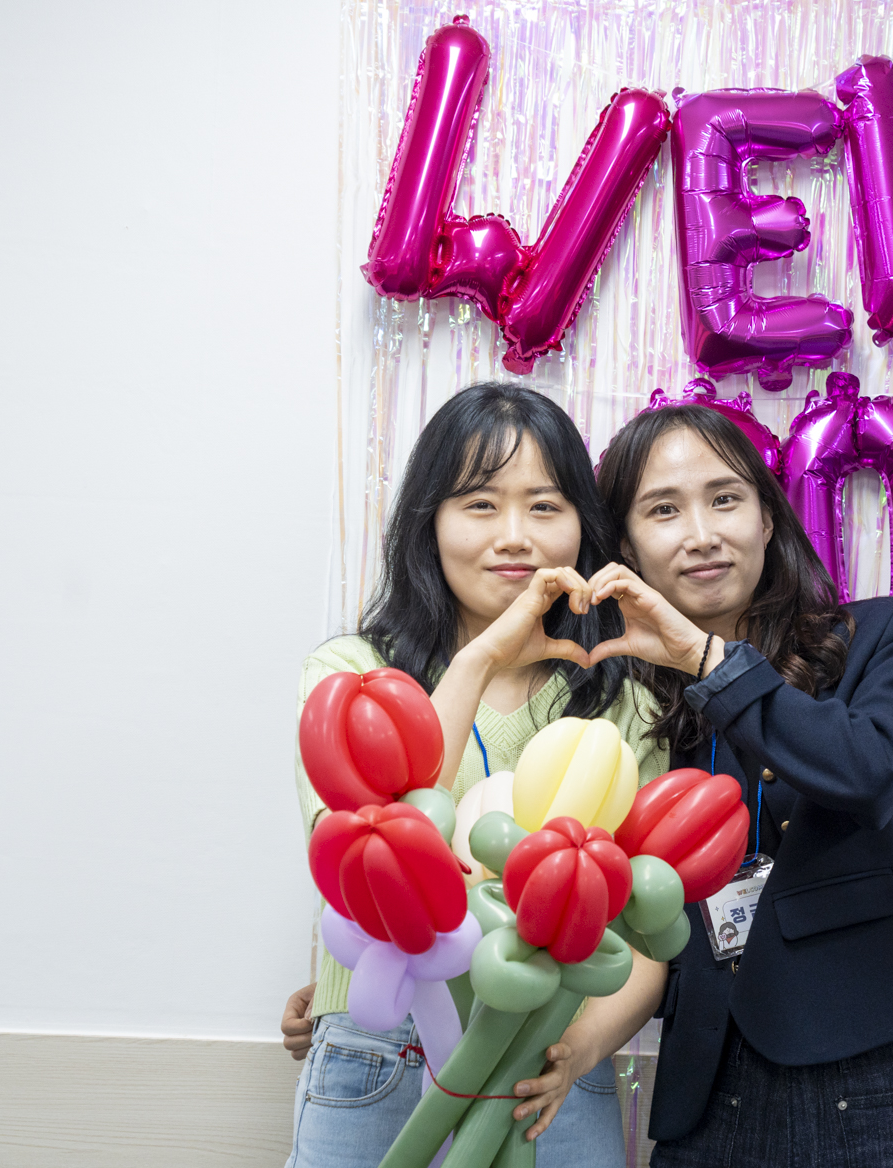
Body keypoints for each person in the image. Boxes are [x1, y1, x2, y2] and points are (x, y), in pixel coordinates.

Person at [515, 404, 893, 1166]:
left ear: (767, 517)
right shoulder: (624, 700)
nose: (701, 534)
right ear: (625, 546)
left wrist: (708, 662)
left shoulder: (880, 636)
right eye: (663, 510)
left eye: (724, 499)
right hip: (707, 1088)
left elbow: (867, 773)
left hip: (873, 1073)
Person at [279, 382, 668, 1168]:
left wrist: (581, 1050)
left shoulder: (623, 702)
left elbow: (648, 922)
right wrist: (482, 657)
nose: (514, 537)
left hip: (551, 1063)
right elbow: (374, 848)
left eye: (545, 506)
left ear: (583, 528)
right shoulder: (352, 675)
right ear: (430, 521)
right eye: (480, 504)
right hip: (382, 1050)